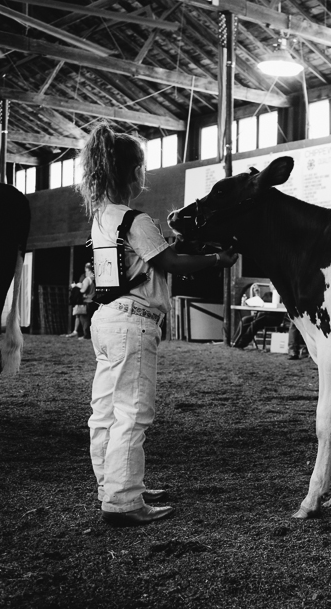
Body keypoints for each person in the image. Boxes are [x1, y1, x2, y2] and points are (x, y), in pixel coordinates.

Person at [76, 123, 239, 527]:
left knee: (105, 411)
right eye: (143, 168)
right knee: (133, 411)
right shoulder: (136, 219)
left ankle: (113, 484)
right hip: (133, 321)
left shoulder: (101, 217)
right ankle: (124, 500)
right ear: (133, 172)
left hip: (106, 319)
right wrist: (217, 261)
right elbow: (170, 263)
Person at [232, 284, 286, 349]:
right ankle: (234, 341)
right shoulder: (267, 295)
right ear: (270, 286)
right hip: (262, 316)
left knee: (257, 322)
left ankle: (242, 343)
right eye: (272, 284)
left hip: (275, 318)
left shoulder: (282, 296)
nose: (273, 286)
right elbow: (260, 304)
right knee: (244, 320)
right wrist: (257, 295)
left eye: (275, 284)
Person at [64, 263, 96, 339]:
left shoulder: (87, 279)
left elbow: (82, 290)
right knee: (86, 318)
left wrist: (76, 286)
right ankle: (82, 333)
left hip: (87, 301)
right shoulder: (95, 278)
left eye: (86, 270)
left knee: (84, 319)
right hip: (93, 300)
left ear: (88, 270)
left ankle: (86, 335)